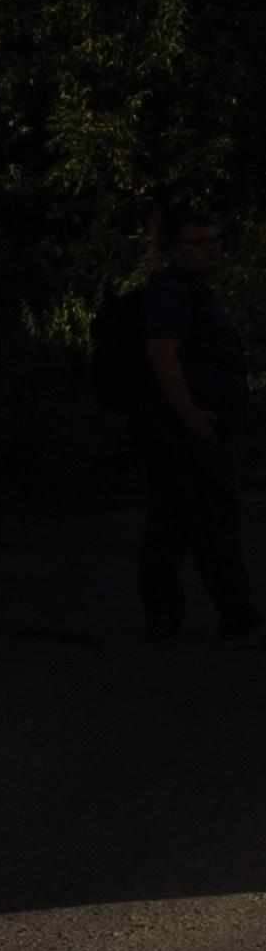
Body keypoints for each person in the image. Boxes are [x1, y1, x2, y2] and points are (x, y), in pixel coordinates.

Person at [137, 203, 264, 646]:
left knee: (170, 527)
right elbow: (161, 352)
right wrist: (189, 413)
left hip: (181, 428)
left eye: (215, 241)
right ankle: (239, 621)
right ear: (175, 249)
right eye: (199, 242)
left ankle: (163, 620)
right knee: (214, 525)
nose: (212, 248)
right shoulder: (175, 292)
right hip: (191, 430)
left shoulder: (189, 291)